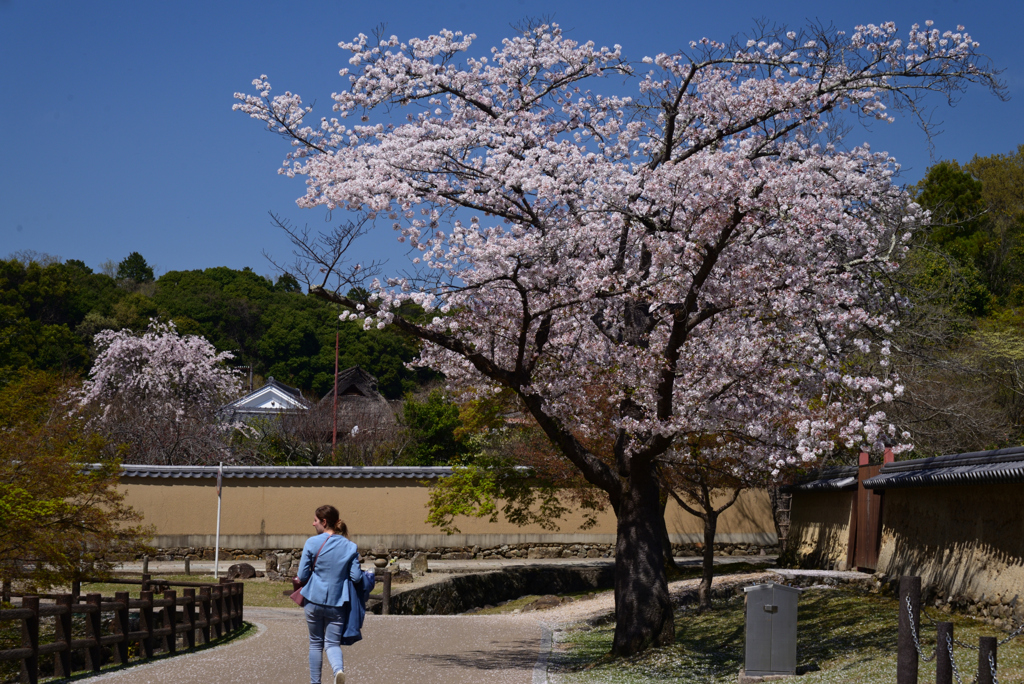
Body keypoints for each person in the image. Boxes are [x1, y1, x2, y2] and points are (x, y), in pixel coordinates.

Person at [296, 504, 368, 684]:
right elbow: (356, 577)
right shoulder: (350, 546)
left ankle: (315, 682)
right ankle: (338, 671)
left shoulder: (312, 543)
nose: (313, 524)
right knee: (332, 644)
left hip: (313, 599)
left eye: (315, 520)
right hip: (337, 602)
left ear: (324, 521)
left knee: (315, 643)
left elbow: (303, 575)